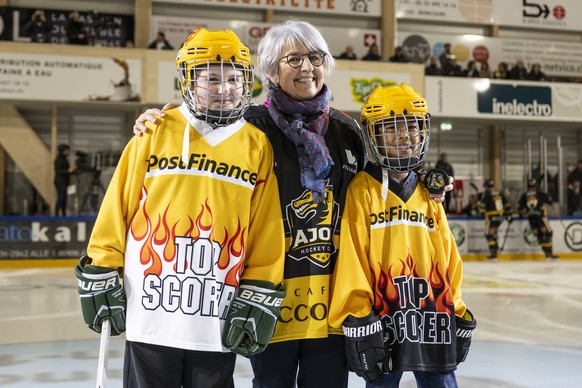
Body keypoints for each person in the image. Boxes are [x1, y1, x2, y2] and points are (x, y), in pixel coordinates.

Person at [132, 20, 453, 388]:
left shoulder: (346, 130)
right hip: (267, 298)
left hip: (330, 300)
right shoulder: (247, 127)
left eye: (315, 57)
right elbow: (200, 166)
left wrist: (427, 183)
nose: (307, 67)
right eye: (294, 59)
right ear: (271, 69)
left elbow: (378, 186)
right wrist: (159, 125)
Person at [74, 28, 287, 388]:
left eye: (235, 78)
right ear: (189, 80)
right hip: (150, 311)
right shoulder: (156, 130)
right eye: (212, 78)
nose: (226, 88)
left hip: (216, 315)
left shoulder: (256, 145)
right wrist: (102, 263)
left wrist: (261, 284)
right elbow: (118, 206)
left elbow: (264, 225)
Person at [328, 83, 476, 388]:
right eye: (392, 127)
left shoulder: (428, 192)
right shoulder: (363, 189)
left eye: (412, 126)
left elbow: (447, 256)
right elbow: (353, 258)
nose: (405, 135)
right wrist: (358, 313)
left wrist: (457, 308)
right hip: (384, 319)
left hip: (432, 315)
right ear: (375, 135)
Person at [517, 178, 559, 260]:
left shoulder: (524, 195)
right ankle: (550, 253)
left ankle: (547, 254)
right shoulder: (539, 193)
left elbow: (520, 209)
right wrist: (554, 208)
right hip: (541, 216)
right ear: (535, 186)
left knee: (539, 235)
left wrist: (524, 212)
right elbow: (550, 201)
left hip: (531, 218)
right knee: (548, 232)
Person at [477, 179, 513, 261]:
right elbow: (507, 204)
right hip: (501, 217)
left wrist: (479, 208)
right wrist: (509, 214)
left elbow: (481, 209)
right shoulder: (499, 192)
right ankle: (495, 252)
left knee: (488, 234)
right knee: (493, 232)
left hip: (491, 216)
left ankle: (493, 254)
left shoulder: (487, 194)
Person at [54, 144, 76, 216]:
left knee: (64, 199)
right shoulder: (59, 160)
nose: (68, 152)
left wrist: (73, 171)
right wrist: (68, 171)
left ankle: (63, 214)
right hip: (60, 181)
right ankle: (56, 215)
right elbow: (58, 171)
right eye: (67, 151)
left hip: (64, 181)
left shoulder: (64, 160)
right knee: (61, 197)